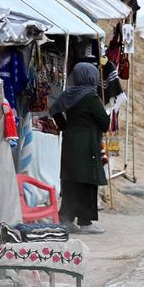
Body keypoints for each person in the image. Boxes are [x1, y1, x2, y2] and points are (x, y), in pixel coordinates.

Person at [50, 62, 110, 234]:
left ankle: (67, 218)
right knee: (87, 182)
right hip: (87, 145)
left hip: (70, 143)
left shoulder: (69, 94)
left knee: (70, 181)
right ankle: (86, 222)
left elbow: (54, 109)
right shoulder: (90, 97)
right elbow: (104, 123)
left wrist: (64, 126)